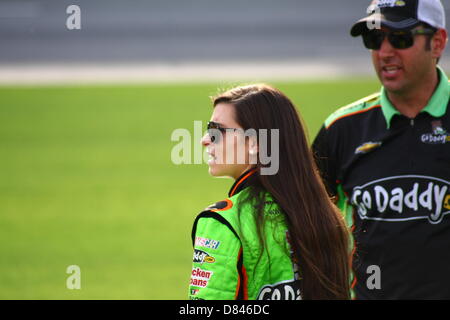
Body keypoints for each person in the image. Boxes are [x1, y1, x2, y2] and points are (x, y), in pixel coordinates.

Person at [312, 0, 450, 299]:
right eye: (374, 39)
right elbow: (303, 221)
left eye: (401, 38)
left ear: (437, 42)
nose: (385, 52)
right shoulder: (341, 129)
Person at [188, 84, 350, 300]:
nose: (205, 140)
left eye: (217, 130)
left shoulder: (223, 222)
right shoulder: (326, 215)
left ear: (255, 143)